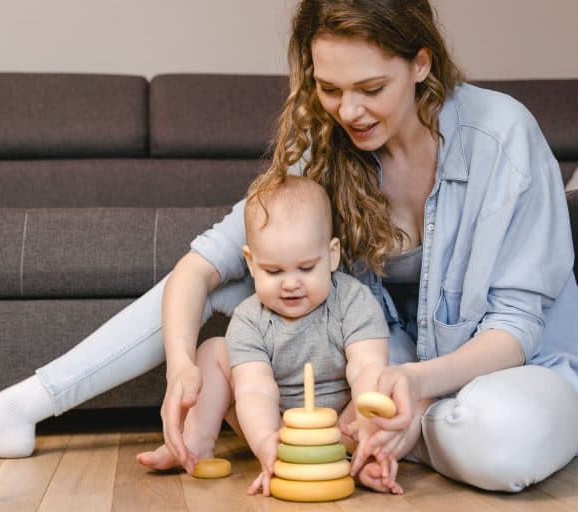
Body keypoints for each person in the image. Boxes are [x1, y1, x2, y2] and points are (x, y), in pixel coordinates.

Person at [0, 0, 578, 494]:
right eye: (330, 89)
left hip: (509, 369)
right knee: (266, 264)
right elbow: (201, 267)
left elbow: (517, 329)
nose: (349, 111)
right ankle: (23, 405)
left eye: (370, 87)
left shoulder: (504, 133)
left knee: (496, 441)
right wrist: (185, 365)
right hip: (389, 369)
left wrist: (413, 388)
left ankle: (378, 428)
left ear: (422, 64)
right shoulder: (327, 140)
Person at [136, 174, 398, 495]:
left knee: (386, 385)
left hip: (340, 428)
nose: (290, 283)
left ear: (331, 255)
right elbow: (255, 390)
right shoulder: (250, 319)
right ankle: (194, 444)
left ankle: (360, 457)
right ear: (251, 263)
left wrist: (365, 420)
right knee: (213, 351)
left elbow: (367, 366)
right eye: (274, 271)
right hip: (273, 427)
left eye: (305, 268)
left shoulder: (354, 301)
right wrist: (266, 444)